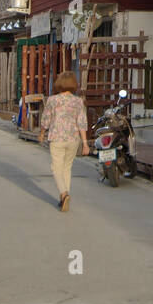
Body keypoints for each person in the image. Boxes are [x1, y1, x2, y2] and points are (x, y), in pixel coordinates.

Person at [39, 71, 89, 212]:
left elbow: (46, 119)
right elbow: (82, 123)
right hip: (73, 139)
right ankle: (63, 198)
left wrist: (42, 133)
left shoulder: (53, 100)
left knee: (56, 168)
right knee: (67, 167)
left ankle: (64, 193)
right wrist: (85, 143)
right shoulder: (78, 101)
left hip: (57, 137)